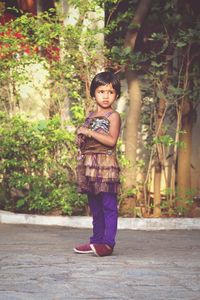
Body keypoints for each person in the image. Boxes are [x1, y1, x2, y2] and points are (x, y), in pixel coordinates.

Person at [73, 71, 121, 257]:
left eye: (110, 91)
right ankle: (97, 240)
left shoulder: (113, 116)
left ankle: (108, 243)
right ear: (94, 94)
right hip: (90, 166)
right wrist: (80, 138)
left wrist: (89, 132)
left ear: (116, 94)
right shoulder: (90, 116)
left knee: (108, 205)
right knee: (95, 206)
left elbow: (111, 141)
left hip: (106, 165)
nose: (106, 96)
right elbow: (85, 141)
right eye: (101, 91)